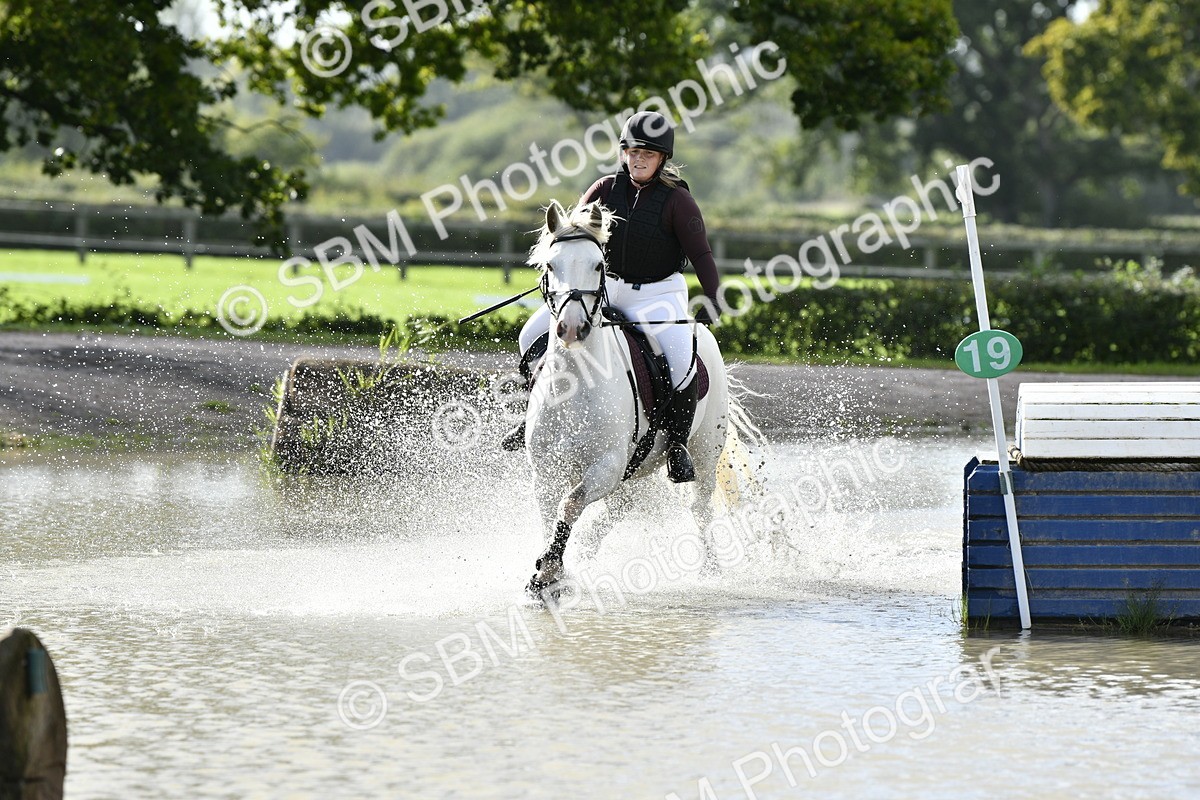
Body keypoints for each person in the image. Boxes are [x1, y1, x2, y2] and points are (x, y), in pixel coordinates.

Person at [502, 110, 722, 483]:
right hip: (601, 289)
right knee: (531, 335)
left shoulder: (677, 202)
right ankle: (534, 411)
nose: (638, 159)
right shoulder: (604, 190)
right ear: (623, 152)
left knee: (681, 360)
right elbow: (572, 234)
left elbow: (701, 254)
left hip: (658, 294)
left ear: (662, 159)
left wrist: (713, 297)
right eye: (633, 151)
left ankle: (678, 446)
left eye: (648, 154)